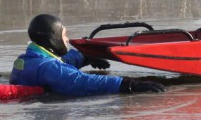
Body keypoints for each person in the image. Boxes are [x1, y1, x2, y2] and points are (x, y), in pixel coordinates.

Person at [10, 14, 166, 95]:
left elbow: (61, 63)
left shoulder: (27, 60)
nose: (67, 39)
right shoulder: (47, 68)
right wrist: (126, 84)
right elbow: (81, 81)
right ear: (53, 38)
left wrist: (84, 57)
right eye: (64, 35)